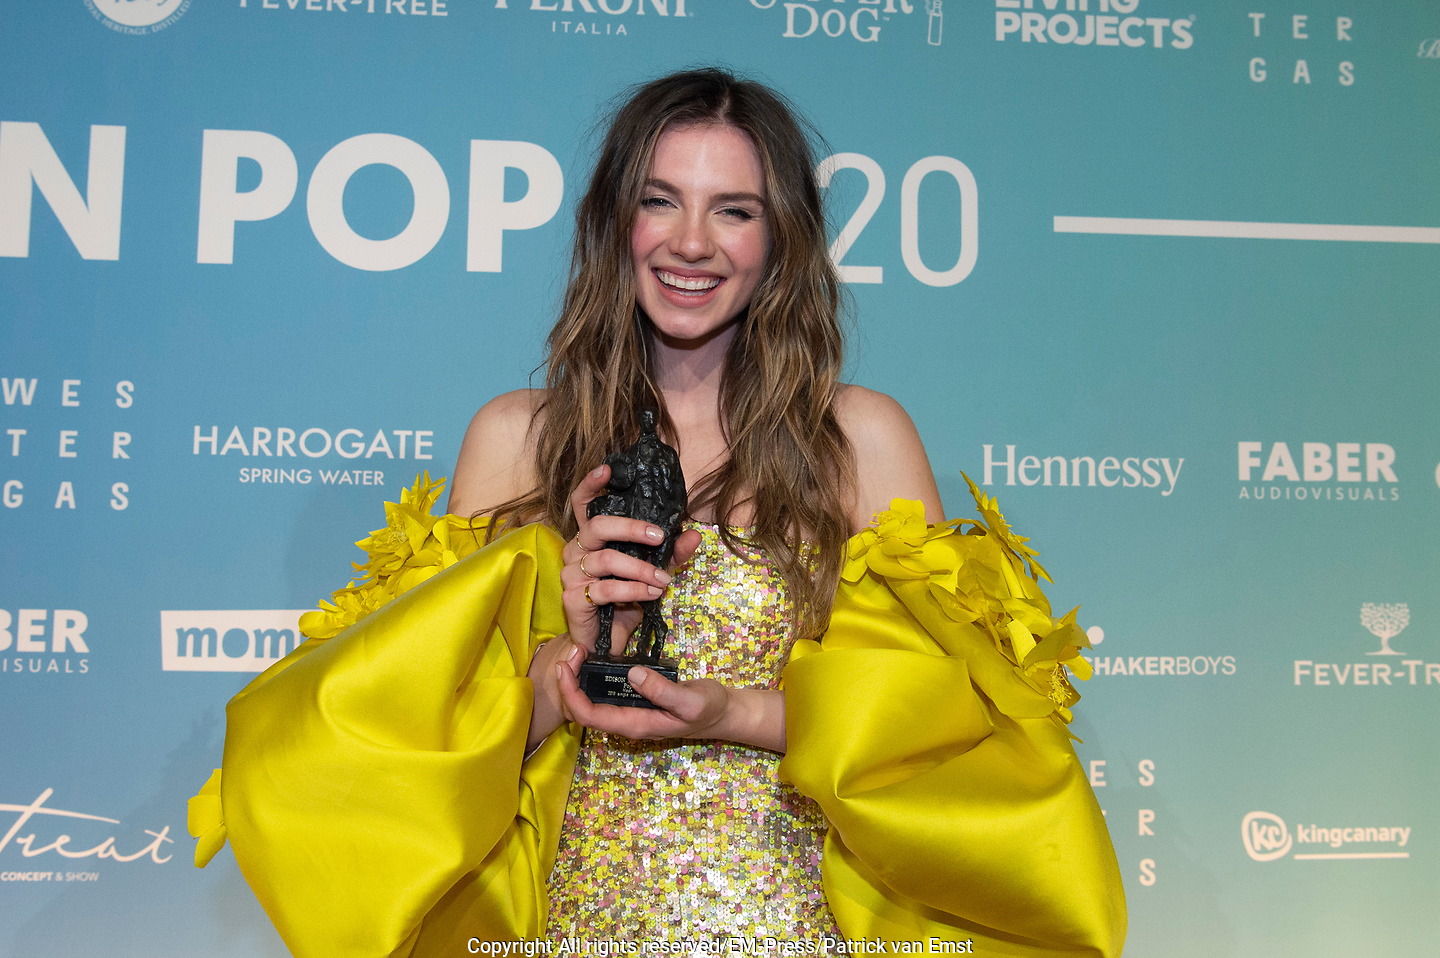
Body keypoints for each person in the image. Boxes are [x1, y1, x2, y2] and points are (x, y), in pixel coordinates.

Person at [190, 68, 1126, 956]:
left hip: (794, 926)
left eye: (735, 210)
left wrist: (734, 711)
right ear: (614, 221)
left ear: (783, 239)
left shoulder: (861, 440)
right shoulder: (515, 441)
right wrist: (567, 662)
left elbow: (952, 737)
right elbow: (419, 752)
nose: (692, 242)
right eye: (660, 200)